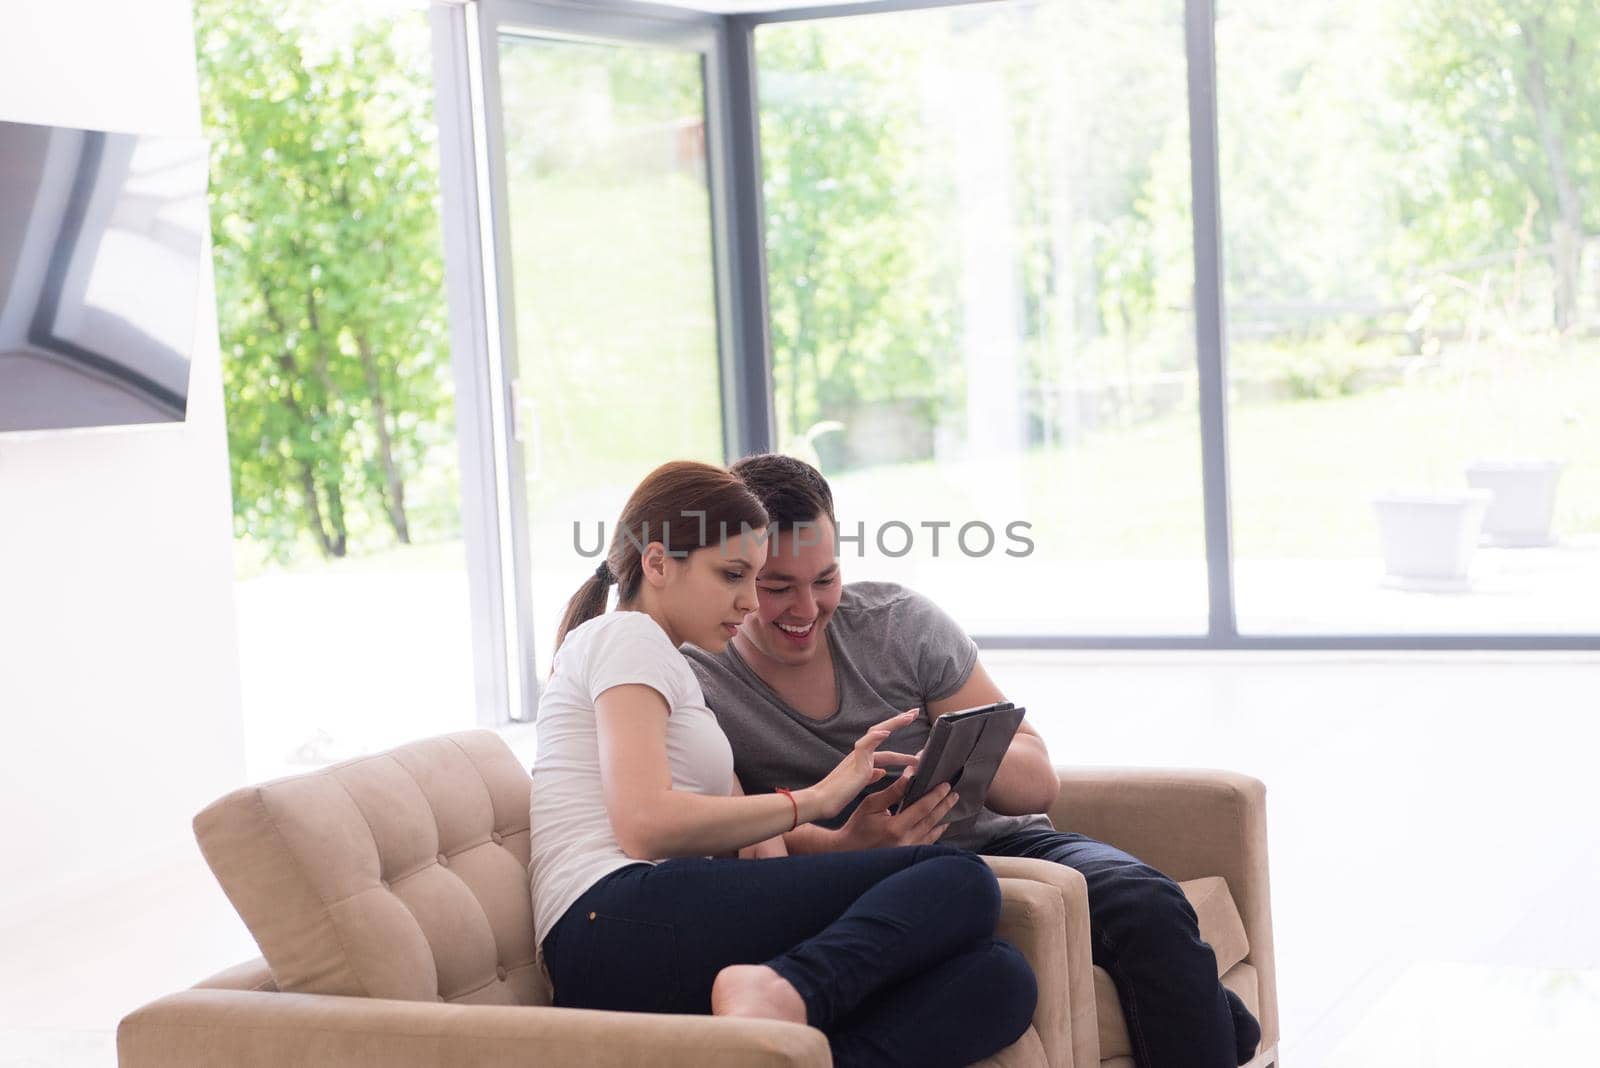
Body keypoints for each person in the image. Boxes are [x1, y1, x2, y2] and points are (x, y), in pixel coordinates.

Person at [681, 453, 1263, 1068]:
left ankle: (1215, 1029)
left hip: (1008, 846)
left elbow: (1039, 784)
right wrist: (846, 842)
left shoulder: (899, 624)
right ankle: (1219, 1028)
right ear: (737, 575)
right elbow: (735, 835)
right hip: (860, 885)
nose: (806, 609)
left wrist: (955, 756)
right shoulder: (700, 677)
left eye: (824, 579)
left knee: (1146, 901)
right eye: (776, 588)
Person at [529, 460, 1037, 1068]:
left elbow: (755, 855)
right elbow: (644, 825)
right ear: (658, 564)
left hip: (655, 924)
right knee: (960, 879)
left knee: (998, 978)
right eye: (734, 576)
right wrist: (816, 799)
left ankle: (790, 1029)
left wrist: (844, 843)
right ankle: (783, 991)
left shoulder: (673, 672)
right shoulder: (626, 637)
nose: (747, 602)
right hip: (610, 917)